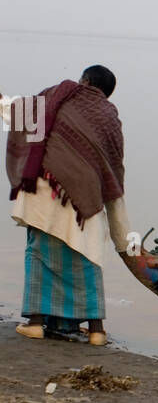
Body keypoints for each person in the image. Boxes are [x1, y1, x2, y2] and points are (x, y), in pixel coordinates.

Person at [3, 65, 130, 345]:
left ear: (84, 80)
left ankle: (36, 324)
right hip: (86, 200)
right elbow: (114, 171)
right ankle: (97, 331)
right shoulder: (108, 116)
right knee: (87, 258)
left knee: (39, 254)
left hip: (45, 190)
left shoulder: (56, 97)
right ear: (107, 94)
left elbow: (19, 115)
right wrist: (125, 242)